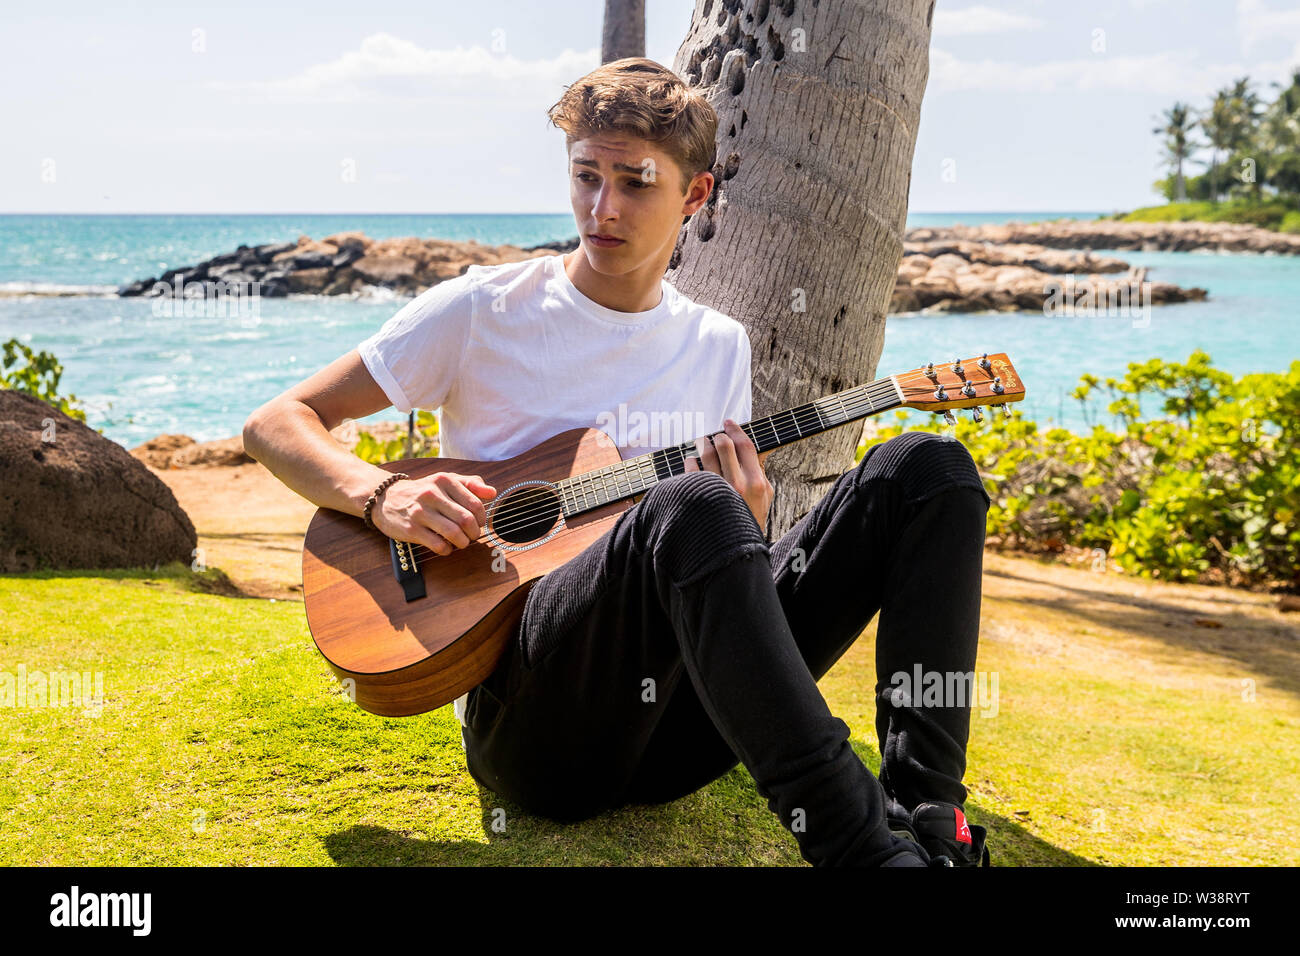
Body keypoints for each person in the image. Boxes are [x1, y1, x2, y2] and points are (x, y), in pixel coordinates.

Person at [243, 57, 990, 868]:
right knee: (690, 504)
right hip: (538, 738)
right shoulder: (482, 310)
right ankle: (868, 856)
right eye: (585, 177)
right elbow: (279, 421)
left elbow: (702, 560)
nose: (603, 209)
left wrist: (751, 524)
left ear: (695, 196)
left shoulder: (716, 344)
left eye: (635, 183)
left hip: (680, 730)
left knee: (928, 466)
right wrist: (381, 495)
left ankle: (929, 817)